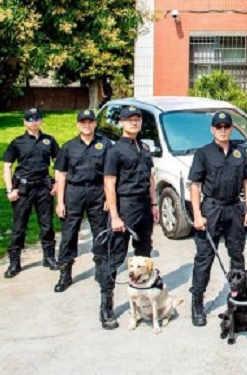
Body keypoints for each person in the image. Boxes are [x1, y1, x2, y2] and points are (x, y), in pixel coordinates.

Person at [188, 111, 247, 326]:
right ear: (212, 129)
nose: (223, 130)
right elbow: (195, 185)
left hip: (234, 208)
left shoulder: (240, 152)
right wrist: (197, 215)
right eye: (219, 127)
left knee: (237, 256)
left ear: (232, 129)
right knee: (204, 257)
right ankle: (197, 303)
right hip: (212, 209)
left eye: (226, 126)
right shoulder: (203, 153)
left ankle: (238, 299)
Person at [98, 106, 159, 329]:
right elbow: (109, 183)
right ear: (121, 123)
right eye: (130, 119)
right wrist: (114, 216)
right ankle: (106, 307)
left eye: (137, 119)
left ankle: (143, 298)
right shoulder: (115, 151)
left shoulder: (144, 148)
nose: (134, 123)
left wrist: (154, 203)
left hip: (144, 205)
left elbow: (150, 178)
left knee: (143, 254)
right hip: (125, 205)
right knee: (115, 256)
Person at [53, 109, 112, 292]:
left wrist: (109, 198)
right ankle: (65, 273)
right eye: (83, 122)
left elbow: (110, 174)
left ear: (95, 123)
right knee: (68, 234)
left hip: (97, 192)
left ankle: (101, 270)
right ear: (78, 125)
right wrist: (60, 202)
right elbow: (61, 175)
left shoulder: (105, 144)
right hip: (74, 192)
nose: (87, 125)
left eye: (90, 122)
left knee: (100, 232)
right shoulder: (68, 147)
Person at [2, 107, 59, 278]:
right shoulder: (17, 142)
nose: (34, 122)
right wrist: (9, 189)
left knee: (47, 225)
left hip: (43, 188)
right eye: (30, 119)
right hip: (23, 190)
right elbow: (7, 166)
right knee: (19, 227)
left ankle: (49, 257)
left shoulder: (49, 140)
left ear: (41, 121)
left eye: (37, 119)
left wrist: (57, 184)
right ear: (24, 122)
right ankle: (14, 262)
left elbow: (58, 163)